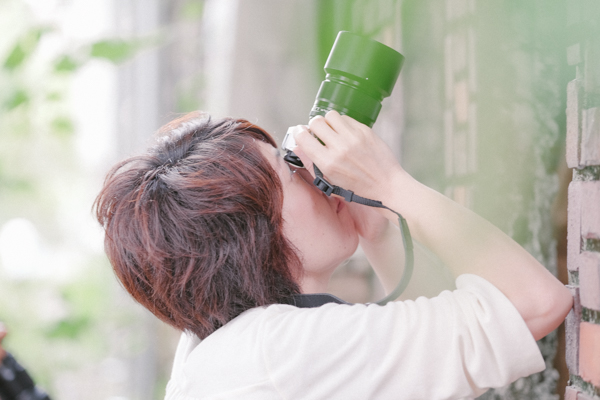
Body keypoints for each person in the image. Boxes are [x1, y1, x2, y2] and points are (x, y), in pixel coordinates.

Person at [94, 110, 573, 399]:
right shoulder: (278, 354)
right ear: (257, 237)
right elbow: (533, 303)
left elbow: (448, 340)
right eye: (292, 172)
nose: (315, 175)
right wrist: (391, 183)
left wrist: (378, 235)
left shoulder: (221, 346)